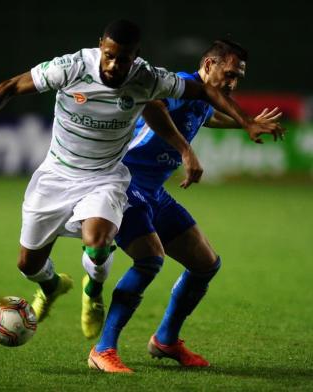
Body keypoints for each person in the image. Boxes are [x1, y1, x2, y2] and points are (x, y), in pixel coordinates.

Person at [0, 19, 281, 343]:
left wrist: (246, 123)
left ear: (135, 57)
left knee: (117, 244)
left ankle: (104, 307)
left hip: (111, 178)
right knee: (29, 263)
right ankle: (53, 288)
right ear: (100, 47)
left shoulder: (154, 80)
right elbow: (10, 87)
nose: (114, 64)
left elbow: (206, 105)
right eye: (109, 54)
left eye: (124, 58)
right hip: (69, 176)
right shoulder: (75, 67)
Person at [86, 39, 284, 373]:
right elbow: (154, 107)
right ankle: (103, 349)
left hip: (154, 192)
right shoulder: (178, 83)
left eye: (239, 78)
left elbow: (207, 117)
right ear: (208, 64)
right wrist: (185, 151)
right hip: (124, 184)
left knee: (206, 264)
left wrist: (244, 122)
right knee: (149, 261)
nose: (233, 83)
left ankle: (165, 340)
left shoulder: (204, 98)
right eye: (230, 74)